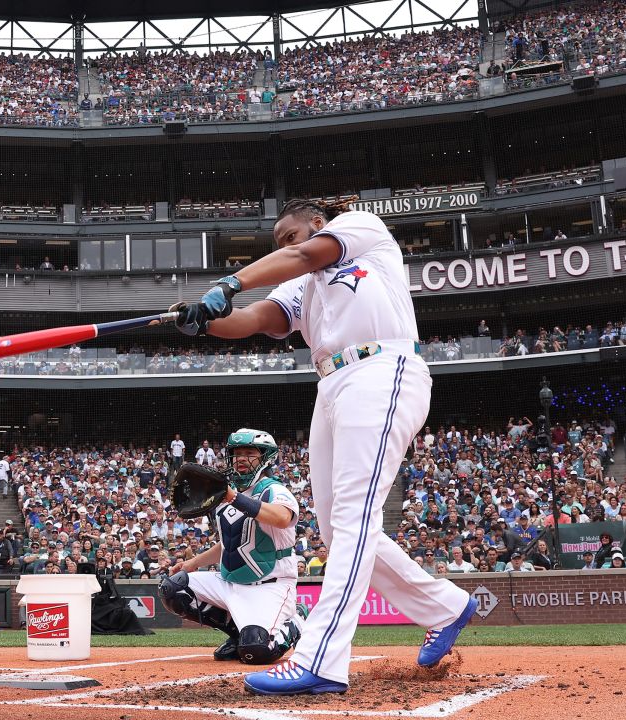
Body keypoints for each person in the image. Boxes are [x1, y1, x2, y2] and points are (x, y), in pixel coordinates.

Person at [171, 199, 475, 695]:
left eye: (290, 234)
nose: (285, 246)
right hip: (331, 384)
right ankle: (445, 606)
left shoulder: (359, 229)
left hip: (381, 368)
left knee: (355, 519)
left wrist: (228, 283)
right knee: (338, 531)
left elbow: (304, 256)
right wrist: (200, 321)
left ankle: (320, 659)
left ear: (316, 223)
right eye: (278, 242)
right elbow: (256, 319)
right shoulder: (302, 284)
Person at [161, 430, 305, 665]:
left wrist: (233, 497)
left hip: (269, 584)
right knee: (174, 589)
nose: (241, 458)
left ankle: (298, 618)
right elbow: (231, 541)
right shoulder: (225, 494)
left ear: (265, 458)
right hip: (231, 582)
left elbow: (281, 517)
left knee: (257, 651)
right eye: (236, 453)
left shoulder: (273, 490)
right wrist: (192, 563)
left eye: (249, 453)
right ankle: (238, 636)